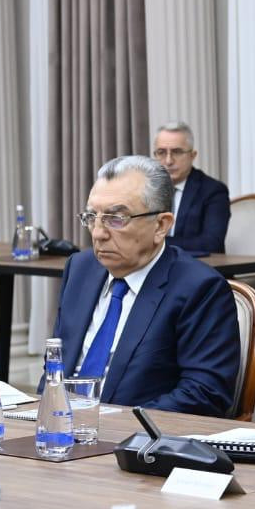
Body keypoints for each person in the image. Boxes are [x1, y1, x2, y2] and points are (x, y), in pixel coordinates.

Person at [50, 156, 240, 416]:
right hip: (61, 428)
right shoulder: (80, 269)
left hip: (135, 434)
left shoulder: (199, 288)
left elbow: (204, 393)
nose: (98, 233)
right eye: (92, 217)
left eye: (116, 218)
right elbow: (55, 365)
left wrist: (118, 423)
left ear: (161, 225)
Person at [153, 121, 230, 254]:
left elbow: (212, 243)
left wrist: (154, 242)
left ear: (192, 155)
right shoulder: (147, 189)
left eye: (177, 152)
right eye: (161, 152)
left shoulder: (213, 191)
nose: (169, 161)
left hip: (194, 264)